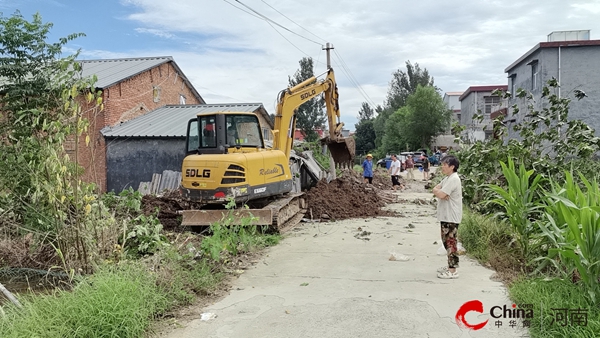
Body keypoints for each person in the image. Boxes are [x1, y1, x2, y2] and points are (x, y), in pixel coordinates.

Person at [432, 155, 463, 279]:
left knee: (450, 242)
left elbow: (442, 193)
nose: (442, 167)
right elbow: (437, 190)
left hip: (451, 216)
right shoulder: (447, 178)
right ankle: (450, 266)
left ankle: (453, 270)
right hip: (446, 215)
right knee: (445, 241)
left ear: (452, 167)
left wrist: (440, 193)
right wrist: (437, 192)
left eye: (445, 164)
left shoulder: (454, 179)